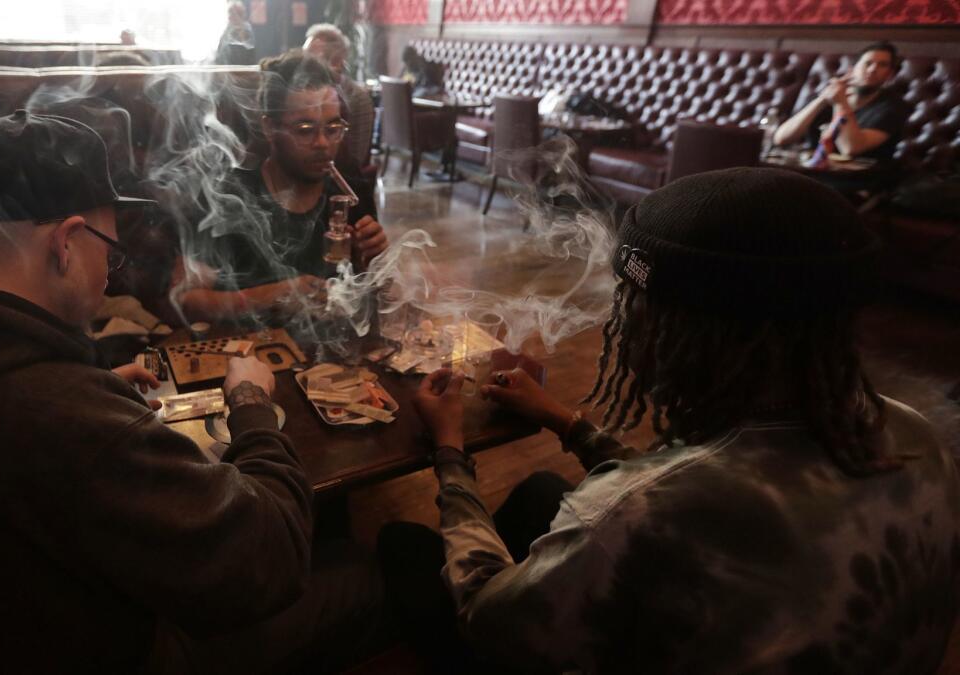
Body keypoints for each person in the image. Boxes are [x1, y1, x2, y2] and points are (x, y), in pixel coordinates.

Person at [0, 110, 384, 674]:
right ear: (66, 243)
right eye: (110, 247)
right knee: (368, 572)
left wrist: (92, 392)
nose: (109, 269)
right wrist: (253, 407)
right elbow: (268, 560)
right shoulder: (67, 421)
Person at [381, 168, 960, 674]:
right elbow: (725, 497)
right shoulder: (918, 436)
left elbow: (488, 619)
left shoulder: (636, 510)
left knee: (403, 545)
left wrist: (451, 451)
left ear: (686, 335)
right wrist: (565, 421)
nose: (622, 322)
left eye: (631, 304)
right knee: (538, 490)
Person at [175, 51, 389, 323]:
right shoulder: (227, 196)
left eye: (333, 128)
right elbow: (184, 300)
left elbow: (374, 301)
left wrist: (374, 261)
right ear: (269, 127)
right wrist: (276, 294)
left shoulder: (350, 192)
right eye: (305, 129)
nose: (323, 143)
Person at [774, 41, 909, 194]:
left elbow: (850, 148)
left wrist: (840, 102)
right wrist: (822, 100)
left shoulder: (893, 107)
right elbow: (781, 138)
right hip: (813, 173)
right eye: (868, 63)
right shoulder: (826, 98)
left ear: (889, 75)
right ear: (852, 69)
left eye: (882, 65)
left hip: (858, 180)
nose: (872, 70)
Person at [303, 23, 375, 171]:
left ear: (337, 62)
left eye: (311, 59)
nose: (303, 66)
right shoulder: (302, 95)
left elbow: (355, 160)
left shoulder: (357, 98)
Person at [215, 1, 256, 66]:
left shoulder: (246, 28)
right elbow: (220, 51)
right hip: (225, 66)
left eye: (232, 14)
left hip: (241, 67)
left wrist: (240, 30)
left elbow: (247, 48)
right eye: (229, 13)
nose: (229, 17)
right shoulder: (227, 28)